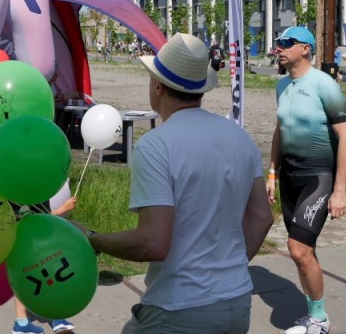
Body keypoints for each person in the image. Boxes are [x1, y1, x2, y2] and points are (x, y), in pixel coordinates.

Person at [81, 33, 273, 333]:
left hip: (179, 309)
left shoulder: (157, 145)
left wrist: (91, 239)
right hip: (236, 302)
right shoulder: (239, 137)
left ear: (157, 86)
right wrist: (226, 271)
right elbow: (262, 217)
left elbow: (153, 243)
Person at [268, 26, 346, 334]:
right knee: (305, 251)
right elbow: (281, 129)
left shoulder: (324, 85)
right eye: (278, 43)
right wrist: (272, 172)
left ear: (305, 48)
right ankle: (312, 315)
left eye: (286, 43)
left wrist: (340, 190)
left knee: (298, 249)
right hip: (289, 178)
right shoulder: (281, 86)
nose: (278, 48)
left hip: (317, 176)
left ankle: (320, 321)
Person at [11, 197, 79, 334]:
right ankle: (54, 316)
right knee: (48, 268)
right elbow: (39, 218)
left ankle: (23, 322)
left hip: (20, 237)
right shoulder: (34, 189)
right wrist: (62, 209)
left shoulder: (9, 188)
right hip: (35, 236)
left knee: (23, 273)